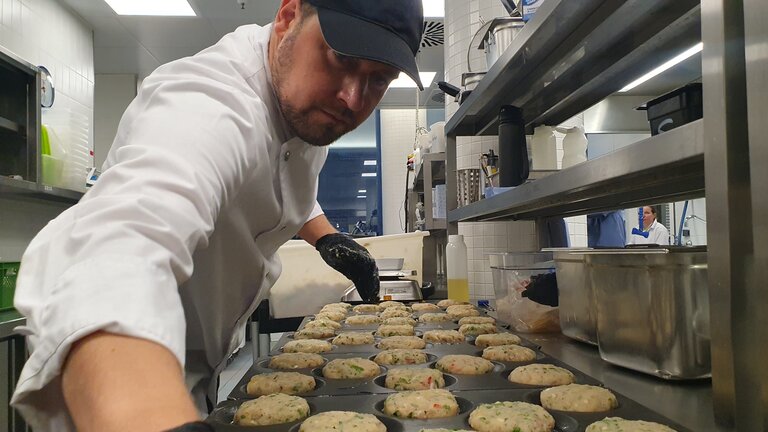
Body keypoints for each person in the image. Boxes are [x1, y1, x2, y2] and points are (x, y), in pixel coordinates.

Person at [10, 1, 424, 431]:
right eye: (341, 58)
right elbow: (118, 250)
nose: (352, 98)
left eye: (379, 80)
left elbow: (274, 176)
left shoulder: (305, 104)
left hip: (200, 369)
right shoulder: (206, 106)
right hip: (125, 388)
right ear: (287, 17)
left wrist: (325, 237)